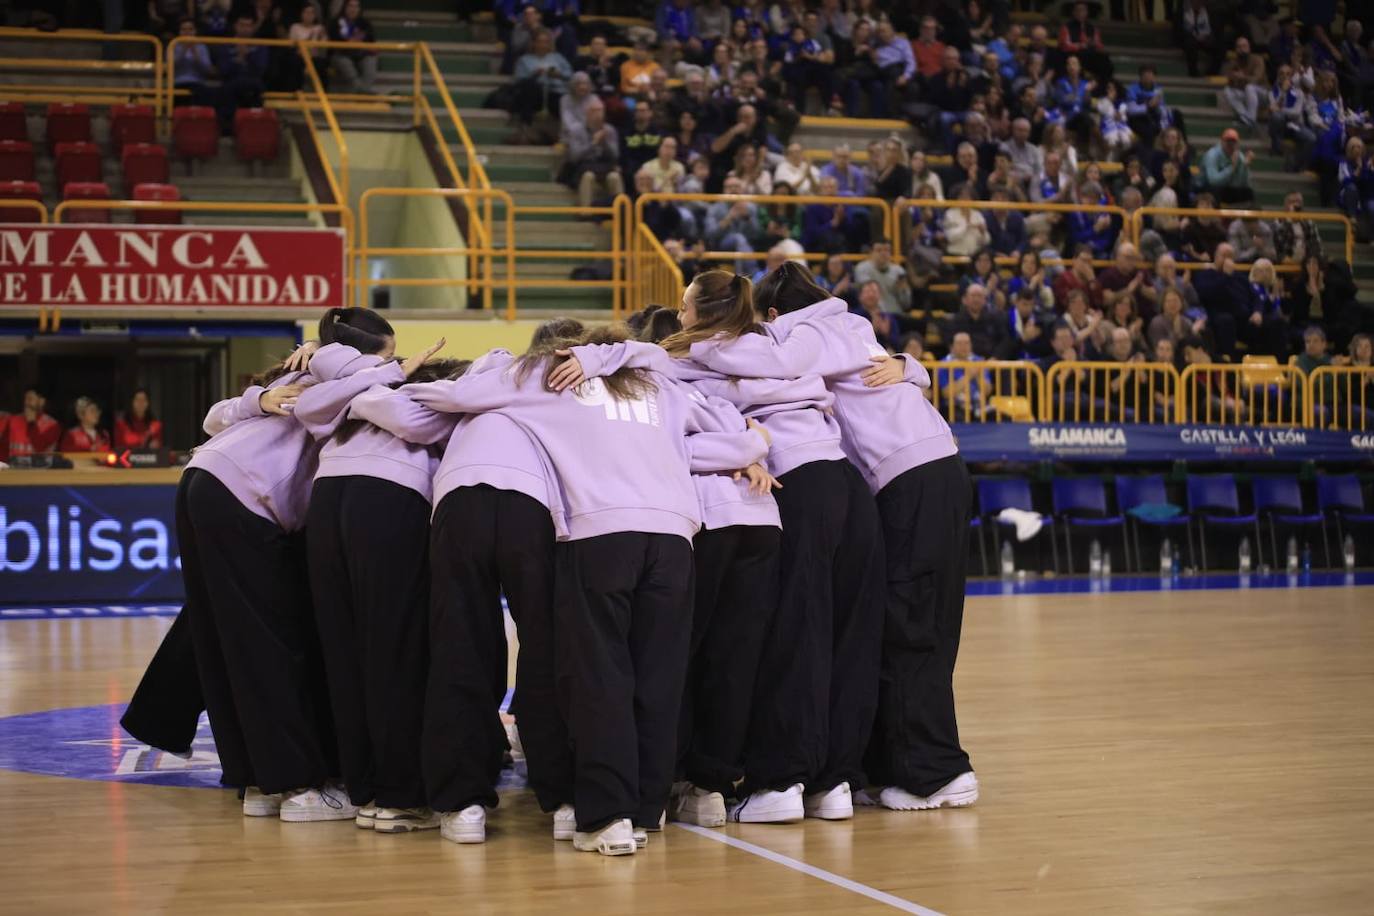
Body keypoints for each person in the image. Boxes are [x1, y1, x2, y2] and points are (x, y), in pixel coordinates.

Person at [401, 318, 771, 855]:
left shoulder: (545, 375)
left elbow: (457, 397)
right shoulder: (660, 385)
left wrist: (391, 378)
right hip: (674, 537)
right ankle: (647, 809)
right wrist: (757, 443)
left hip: (599, 534)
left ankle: (607, 817)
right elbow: (735, 443)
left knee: (600, 679)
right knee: (659, 678)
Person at [128, 308, 405, 821]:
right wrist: (383, 370)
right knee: (269, 643)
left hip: (206, 479)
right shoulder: (351, 375)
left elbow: (215, 417)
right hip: (245, 494)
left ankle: (256, 780)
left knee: (224, 637)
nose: (396, 362)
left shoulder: (312, 370)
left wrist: (269, 390)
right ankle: (297, 787)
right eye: (390, 353)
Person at [751, 261, 977, 813]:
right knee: (932, 621)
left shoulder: (803, 332)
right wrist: (912, 366)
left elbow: (775, 361)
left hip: (904, 479)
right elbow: (908, 373)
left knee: (904, 624)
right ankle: (912, 762)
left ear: (776, 313)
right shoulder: (852, 323)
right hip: (943, 466)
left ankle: (933, 772)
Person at [293, 338, 452, 833]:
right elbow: (417, 422)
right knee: (393, 650)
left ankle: (365, 789)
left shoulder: (348, 396)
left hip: (329, 498)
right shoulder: (408, 395)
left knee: (346, 651)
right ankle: (399, 795)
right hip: (385, 497)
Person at [565, 98, 623, 208]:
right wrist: (593, 144)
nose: (597, 115)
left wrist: (604, 143)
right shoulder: (576, 130)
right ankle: (586, 212)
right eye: (594, 111)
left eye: (600, 111)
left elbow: (615, 155)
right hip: (583, 167)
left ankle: (620, 213)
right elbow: (574, 157)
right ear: (586, 113)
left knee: (615, 177)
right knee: (588, 176)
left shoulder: (610, 130)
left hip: (605, 167)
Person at [1197, 129, 1256, 206]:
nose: (1230, 144)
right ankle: (1216, 217)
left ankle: (1245, 217)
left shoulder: (1239, 156)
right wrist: (1232, 167)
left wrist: (1244, 166)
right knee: (1215, 191)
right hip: (1205, 187)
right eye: (1228, 141)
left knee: (1248, 192)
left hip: (1225, 189)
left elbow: (1243, 184)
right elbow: (1213, 181)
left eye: (1233, 142)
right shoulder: (1212, 155)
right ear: (1222, 142)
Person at [329, 0, 377, 94]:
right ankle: (362, 91)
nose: (353, 9)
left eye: (356, 6)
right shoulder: (336, 23)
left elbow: (372, 41)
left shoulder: (365, 23)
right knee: (344, 62)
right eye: (350, 6)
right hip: (341, 54)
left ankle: (362, 91)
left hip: (361, 54)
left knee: (371, 60)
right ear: (345, 8)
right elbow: (333, 43)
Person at [1, 388, 61, 461]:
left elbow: (40, 449)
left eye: (30, 398)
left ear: (41, 402)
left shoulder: (52, 425)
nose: (26, 402)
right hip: (13, 468)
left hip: (39, 469)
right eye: (25, 399)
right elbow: (3, 448)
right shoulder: (13, 420)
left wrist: (32, 423)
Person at [852, 241, 910, 313]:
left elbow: (907, 304)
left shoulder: (899, 271)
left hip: (895, 314)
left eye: (887, 250)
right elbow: (867, 297)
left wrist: (903, 291)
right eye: (879, 250)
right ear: (871, 253)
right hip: (870, 313)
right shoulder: (862, 268)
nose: (883, 253)